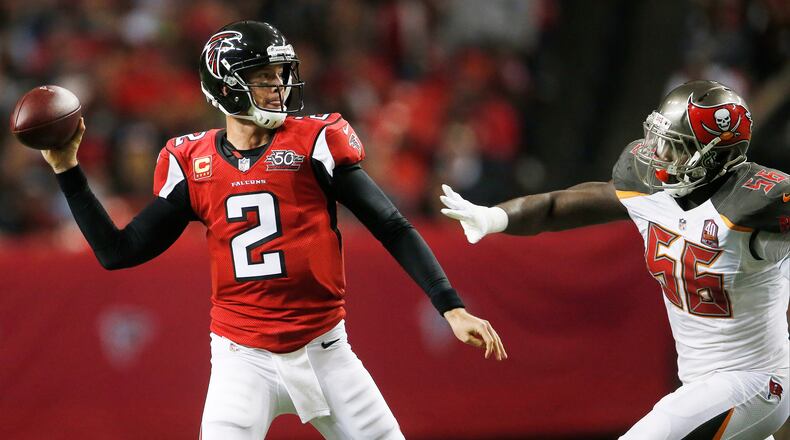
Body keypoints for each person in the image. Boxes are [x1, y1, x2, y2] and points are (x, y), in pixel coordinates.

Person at [42, 20, 506, 440]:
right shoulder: (193, 162)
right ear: (226, 88)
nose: (279, 88)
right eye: (264, 78)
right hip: (240, 359)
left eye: (280, 75)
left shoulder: (313, 144)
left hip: (326, 349)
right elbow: (118, 252)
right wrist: (68, 171)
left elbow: (392, 225)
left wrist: (451, 306)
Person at [441, 80, 789, 439]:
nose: (661, 156)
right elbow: (558, 207)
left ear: (718, 156)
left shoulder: (758, 204)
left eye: (677, 148)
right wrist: (494, 218)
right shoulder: (649, 183)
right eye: (661, 140)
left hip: (755, 382)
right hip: (701, 385)